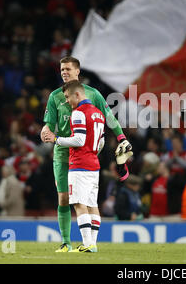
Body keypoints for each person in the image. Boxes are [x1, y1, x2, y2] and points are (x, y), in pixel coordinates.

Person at [40, 56, 131, 252]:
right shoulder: (56, 95)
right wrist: (45, 130)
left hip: (82, 154)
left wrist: (121, 137)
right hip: (62, 154)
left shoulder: (92, 94)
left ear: (77, 71)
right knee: (64, 198)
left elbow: (109, 118)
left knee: (84, 201)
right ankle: (66, 242)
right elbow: (49, 124)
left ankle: (89, 243)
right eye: (62, 69)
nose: (64, 72)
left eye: (68, 69)